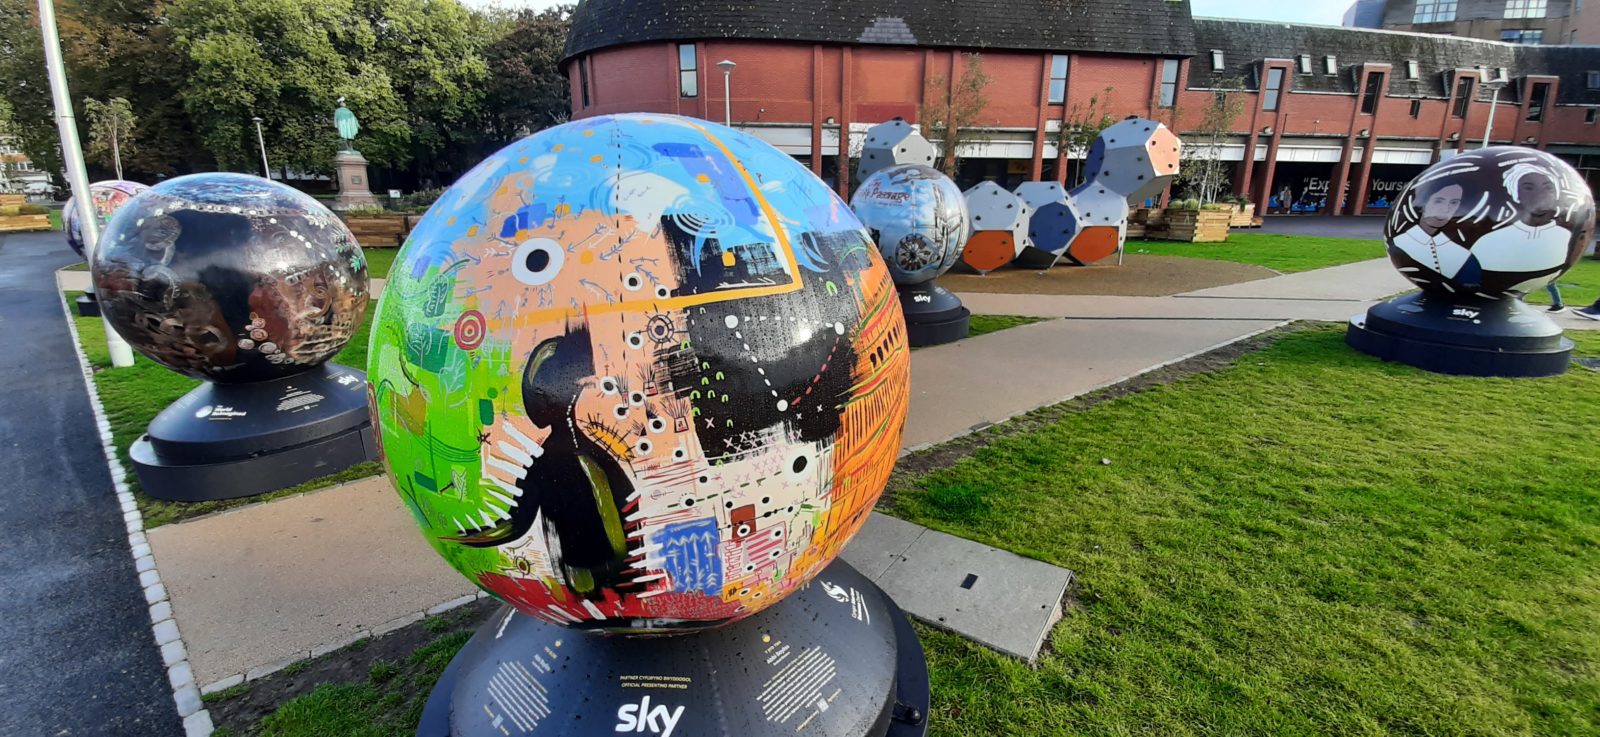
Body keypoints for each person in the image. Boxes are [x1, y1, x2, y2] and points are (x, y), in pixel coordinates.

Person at [1469, 164, 1574, 294]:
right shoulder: (1488, 241)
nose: (1540, 195)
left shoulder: (1566, 238)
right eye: (1529, 188)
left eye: (1548, 188)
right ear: (1516, 195)